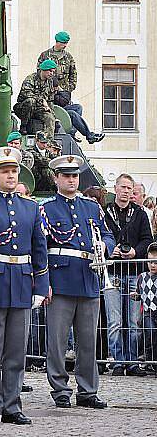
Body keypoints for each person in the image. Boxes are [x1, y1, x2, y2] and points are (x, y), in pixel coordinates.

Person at [0, 147, 49, 426]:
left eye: (14, 171)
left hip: (23, 284)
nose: (11, 175)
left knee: (17, 351)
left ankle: (12, 404)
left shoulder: (31, 208)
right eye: (5, 171)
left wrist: (41, 287)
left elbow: (40, 251)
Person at [41, 155, 115, 409]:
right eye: (66, 176)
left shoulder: (91, 207)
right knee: (58, 342)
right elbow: (41, 248)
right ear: (56, 178)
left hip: (89, 278)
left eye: (74, 176)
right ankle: (60, 388)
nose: (71, 180)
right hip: (60, 280)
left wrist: (104, 245)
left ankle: (87, 390)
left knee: (88, 341)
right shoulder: (47, 208)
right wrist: (44, 282)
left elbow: (107, 234)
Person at [103, 173, 153, 376]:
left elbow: (147, 240)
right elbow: (98, 236)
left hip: (134, 273)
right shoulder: (104, 212)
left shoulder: (140, 213)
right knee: (114, 321)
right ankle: (117, 362)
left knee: (133, 322)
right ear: (115, 188)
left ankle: (132, 362)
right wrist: (110, 250)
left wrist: (135, 252)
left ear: (133, 192)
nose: (125, 191)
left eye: (129, 188)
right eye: (122, 187)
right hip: (113, 272)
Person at [13, 60, 57, 139]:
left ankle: (48, 143)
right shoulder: (30, 79)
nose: (52, 74)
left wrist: (52, 114)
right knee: (31, 101)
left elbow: (50, 100)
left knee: (50, 118)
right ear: (43, 69)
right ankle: (23, 126)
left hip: (38, 109)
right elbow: (26, 93)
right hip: (23, 108)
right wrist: (42, 101)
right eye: (50, 71)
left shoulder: (50, 82)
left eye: (53, 72)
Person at [133, 243, 157, 368]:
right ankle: (150, 358)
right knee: (150, 334)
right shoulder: (142, 277)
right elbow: (139, 293)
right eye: (150, 262)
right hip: (148, 312)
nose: (153, 265)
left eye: (156, 262)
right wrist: (135, 296)